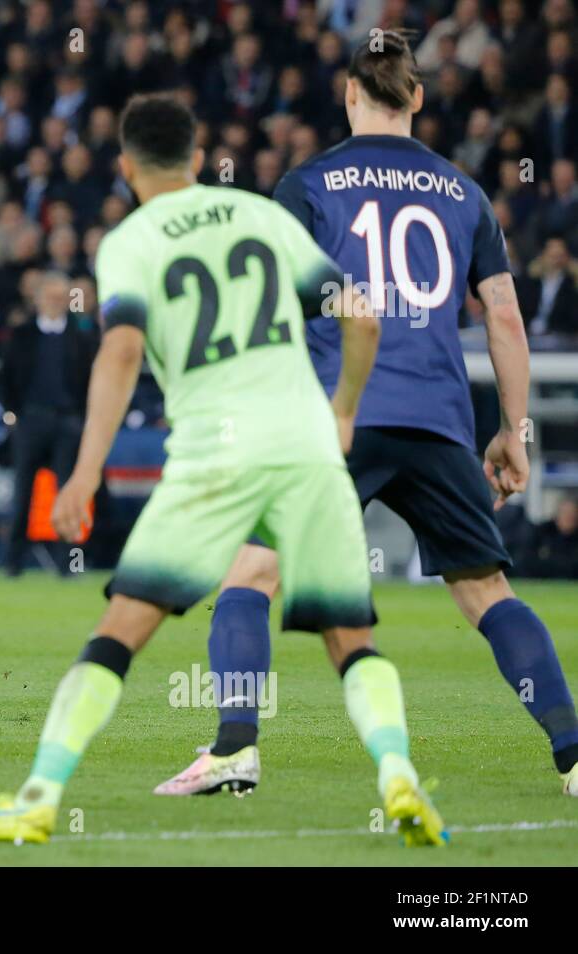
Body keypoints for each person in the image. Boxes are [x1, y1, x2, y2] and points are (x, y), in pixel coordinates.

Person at [0, 93, 448, 847]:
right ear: (195, 153)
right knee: (352, 635)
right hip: (308, 443)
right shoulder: (262, 215)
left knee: (121, 631)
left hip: (217, 447)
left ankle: (41, 797)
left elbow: (119, 351)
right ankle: (399, 778)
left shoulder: (131, 240)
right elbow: (363, 316)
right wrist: (342, 410)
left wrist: (83, 474)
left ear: (123, 167)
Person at [156, 31, 578, 800]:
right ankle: (574, 753)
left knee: (250, 574)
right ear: (416, 98)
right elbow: (506, 318)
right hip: (439, 421)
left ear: (350, 96)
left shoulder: (308, 183)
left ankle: (234, 749)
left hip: (339, 419)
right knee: (487, 594)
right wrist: (512, 433)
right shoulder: (466, 192)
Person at [0, 271, 99, 575]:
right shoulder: (22, 334)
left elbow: (90, 380)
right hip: (31, 422)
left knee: (68, 495)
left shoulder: (81, 336)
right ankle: (13, 564)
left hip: (68, 423)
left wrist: (81, 417)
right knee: (23, 494)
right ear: (38, 298)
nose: (56, 302)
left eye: (61, 297)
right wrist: (14, 414)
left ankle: (68, 564)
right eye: (51, 296)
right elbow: (6, 376)